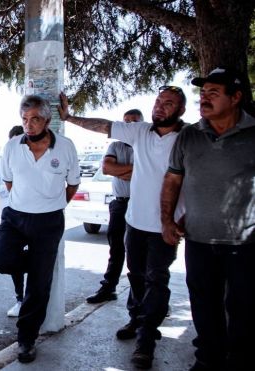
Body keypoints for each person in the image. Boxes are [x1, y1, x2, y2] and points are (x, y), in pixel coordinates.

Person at [59, 86, 187, 369]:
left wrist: (182, 221)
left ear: (181, 110)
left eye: (168, 103)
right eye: (158, 101)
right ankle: (137, 320)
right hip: (135, 223)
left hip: (165, 227)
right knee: (137, 276)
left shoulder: (188, 137)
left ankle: (145, 340)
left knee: (157, 280)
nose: (160, 107)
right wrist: (69, 118)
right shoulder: (140, 131)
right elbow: (105, 125)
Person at [161, 67, 255, 371]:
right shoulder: (189, 135)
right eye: (203, 93)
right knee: (204, 306)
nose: (205, 99)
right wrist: (167, 220)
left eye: (214, 93)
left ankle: (239, 360)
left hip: (245, 244)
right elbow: (173, 180)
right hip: (198, 240)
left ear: (236, 97)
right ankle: (207, 360)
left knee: (243, 308)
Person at [0, 96, 80, 363]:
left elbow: (72, 184)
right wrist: (24, 202)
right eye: (25, 120)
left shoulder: (65, 147)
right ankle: (40, 265)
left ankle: (26, 339)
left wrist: (54, 203)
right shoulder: (11, 146)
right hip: (15, 217)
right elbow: (8, 181)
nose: (29, 125)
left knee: (38, 287)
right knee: (0, 260)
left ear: (47, 120)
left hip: (49, 221)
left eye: (35, 119)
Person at [86, 109, 142, 304]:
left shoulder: (146, 145)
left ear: (142, 123)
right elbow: (107, 168)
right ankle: (108, 288)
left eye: (134, 122)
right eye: (125, 122)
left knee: (142, 254)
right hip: (120, 203)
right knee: (116, 248)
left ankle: (149, 297)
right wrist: (136, 170)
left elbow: (146, 173)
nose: (128, 126)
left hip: (142, 203)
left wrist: (121, 170)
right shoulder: (115, 146)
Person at [0, 125, 27, 317]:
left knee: (36, 257)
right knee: (3, 259)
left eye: (21, 139)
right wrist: (10, 188)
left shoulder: (33, 160)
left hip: (33, 217)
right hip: (10, 218)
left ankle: (28, 299)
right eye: (14, 140)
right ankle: (20, 298)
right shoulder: (2, 162)